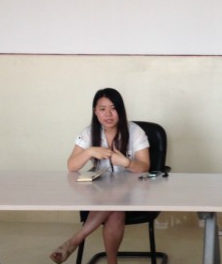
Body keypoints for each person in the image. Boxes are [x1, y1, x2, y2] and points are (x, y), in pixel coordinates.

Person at [50, 88, 150, 264]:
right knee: (115, 210)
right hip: (100, 192)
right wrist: (89, 151)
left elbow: (145, 166)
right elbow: (71, 166)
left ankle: (76, 239)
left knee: (114, 206)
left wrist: (126, 163)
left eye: (113, 108)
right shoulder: (89, 133)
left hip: (133, 192)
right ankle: (112, 262)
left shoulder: (135, 131)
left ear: (121, 110)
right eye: (102, 109)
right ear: (95, 111)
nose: (108, 114)